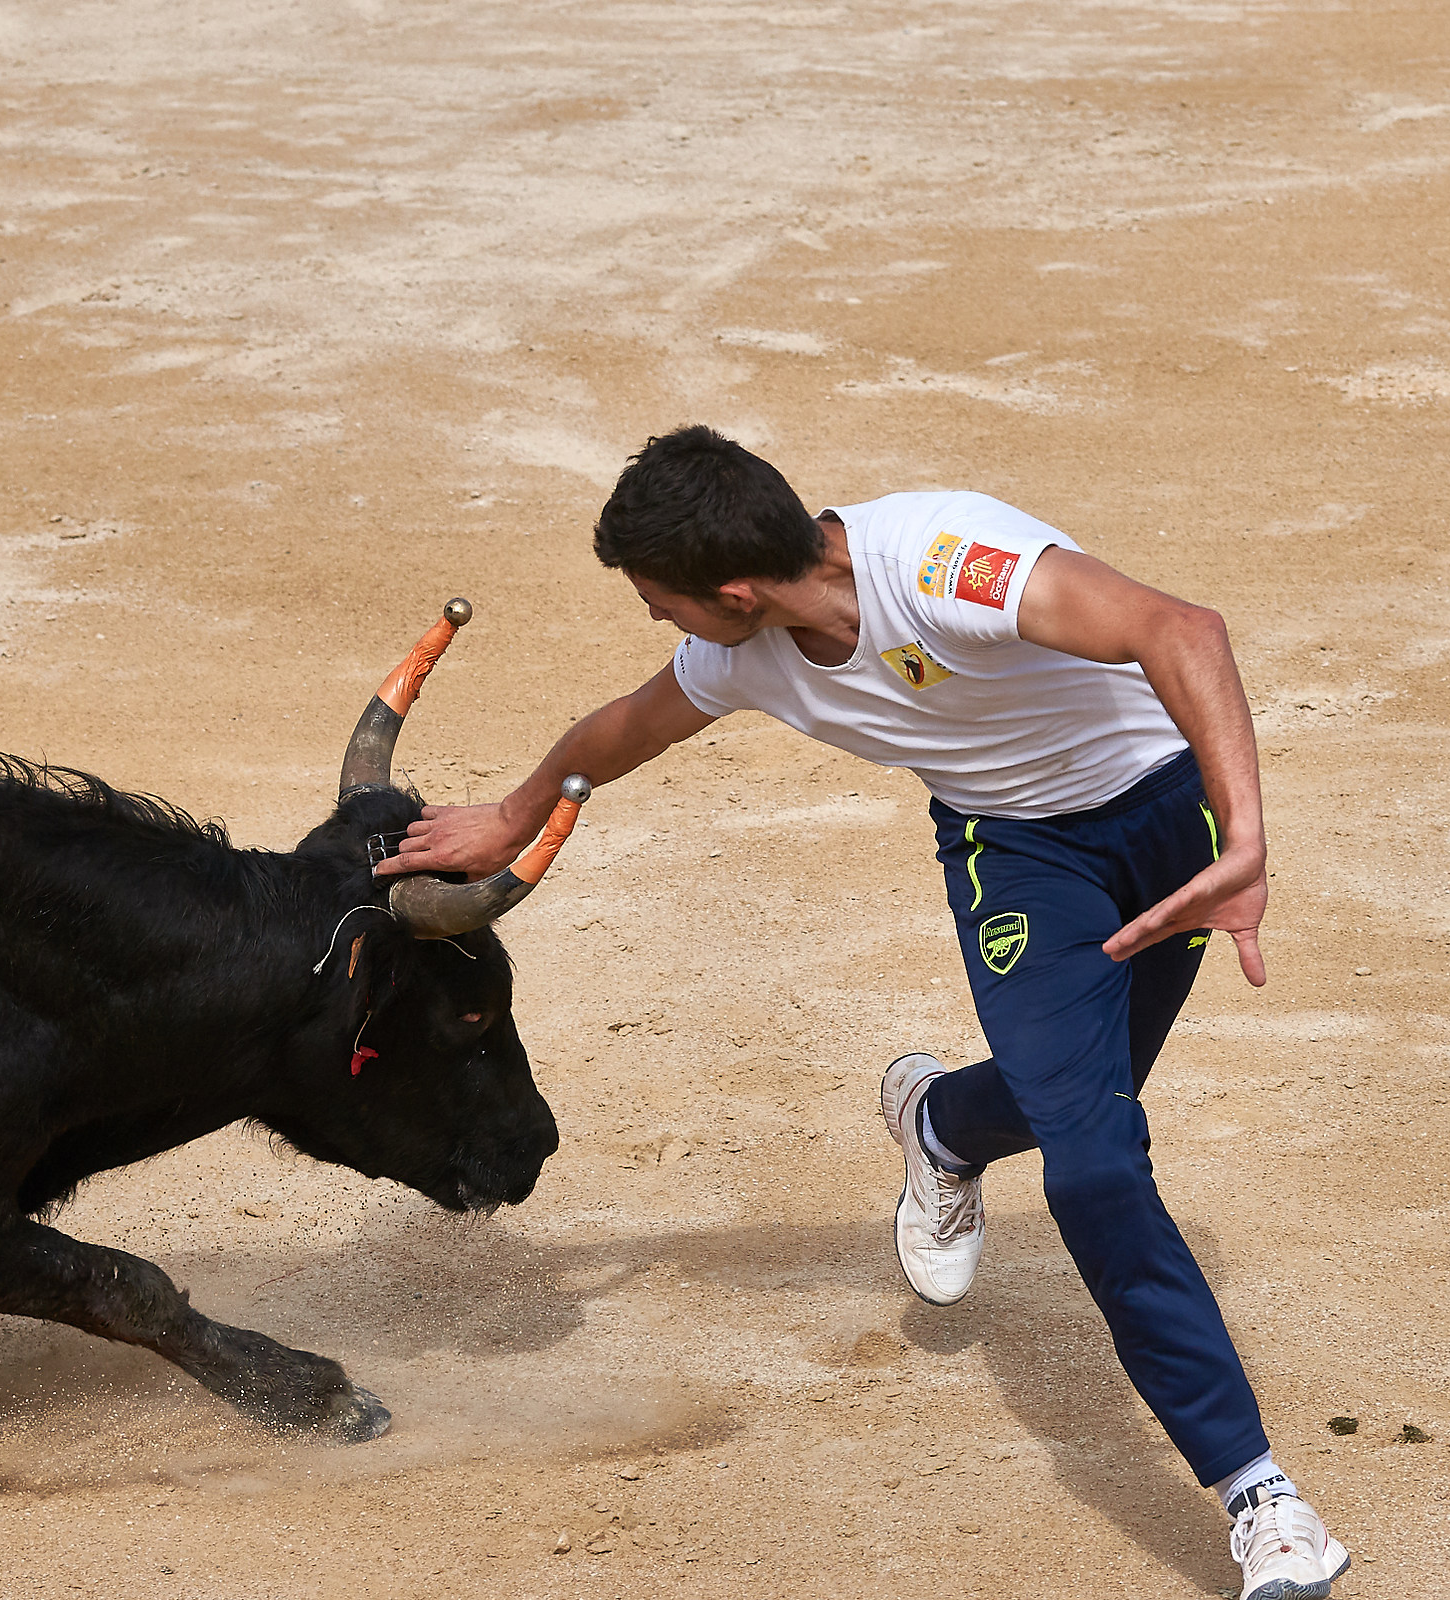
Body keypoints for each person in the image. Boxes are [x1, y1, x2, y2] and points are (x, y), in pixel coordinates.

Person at [376, 426, 1349, 1600]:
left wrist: (1243, 840)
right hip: (1021, 859)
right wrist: (514, 811)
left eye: (658, 599)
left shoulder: (943, 562)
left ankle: (939, 1122)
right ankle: (1260, 1493)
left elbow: (1183, 629)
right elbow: (624, 726)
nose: (656, 619)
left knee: (1078, 1097)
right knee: (1095, 1163)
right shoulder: (743, 656)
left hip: (1168, 817)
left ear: (735, 594)